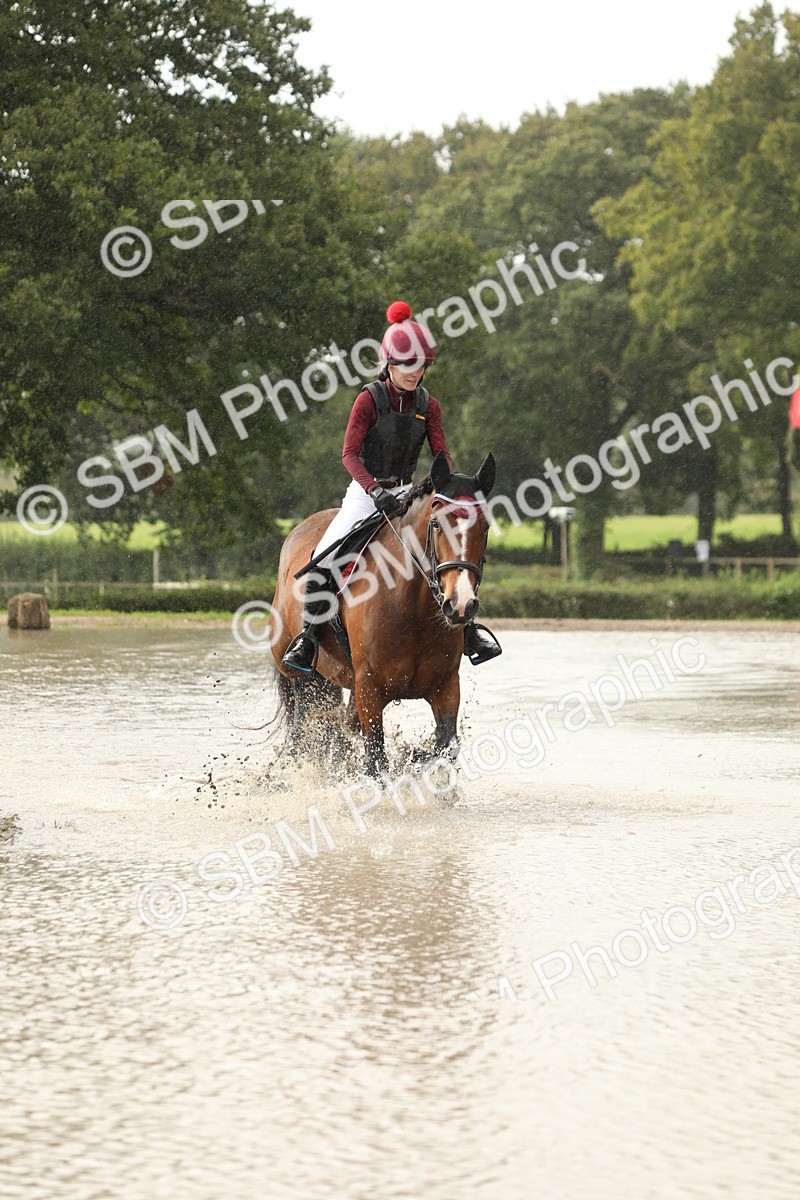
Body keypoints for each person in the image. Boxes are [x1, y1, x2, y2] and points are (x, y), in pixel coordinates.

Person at [281, 301, 502, 673]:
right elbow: (349, 454)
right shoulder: (368, 400)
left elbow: (440, 452)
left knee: (445, 551)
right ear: (390, 364)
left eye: (421, 366)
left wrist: (449, 483)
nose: (415, 372)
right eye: (408, 365)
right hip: (365, 495)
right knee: (323, 560)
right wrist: (373, 491)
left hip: (407, 495)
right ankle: (307, 639)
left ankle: (467, 631)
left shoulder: (428, 405)